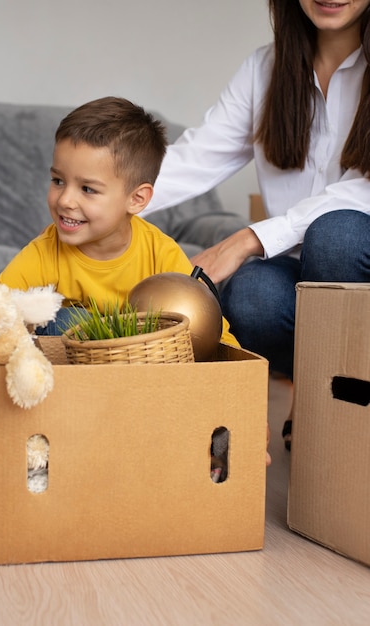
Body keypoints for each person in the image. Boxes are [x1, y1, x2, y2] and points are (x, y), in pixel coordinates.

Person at [0, 96, 240, 486]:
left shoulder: (161, 253)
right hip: (74, 410)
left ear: (138, 199)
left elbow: (212, 332)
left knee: (183, 334)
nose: (65, 199)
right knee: (58, 320)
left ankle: (189, 459)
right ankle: (47, 462)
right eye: (58, 180)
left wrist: (241, 407)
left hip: (147, 398)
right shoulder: (42, 255)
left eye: (88, 189)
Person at [142, 0, 370, 448]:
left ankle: (336, 403)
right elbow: (194, 158)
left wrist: (251, 237)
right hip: (301, 281)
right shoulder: (264, 69)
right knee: (249, 294)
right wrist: (103, 202)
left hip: (358, 267)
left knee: (337, 235)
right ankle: (318, 389)